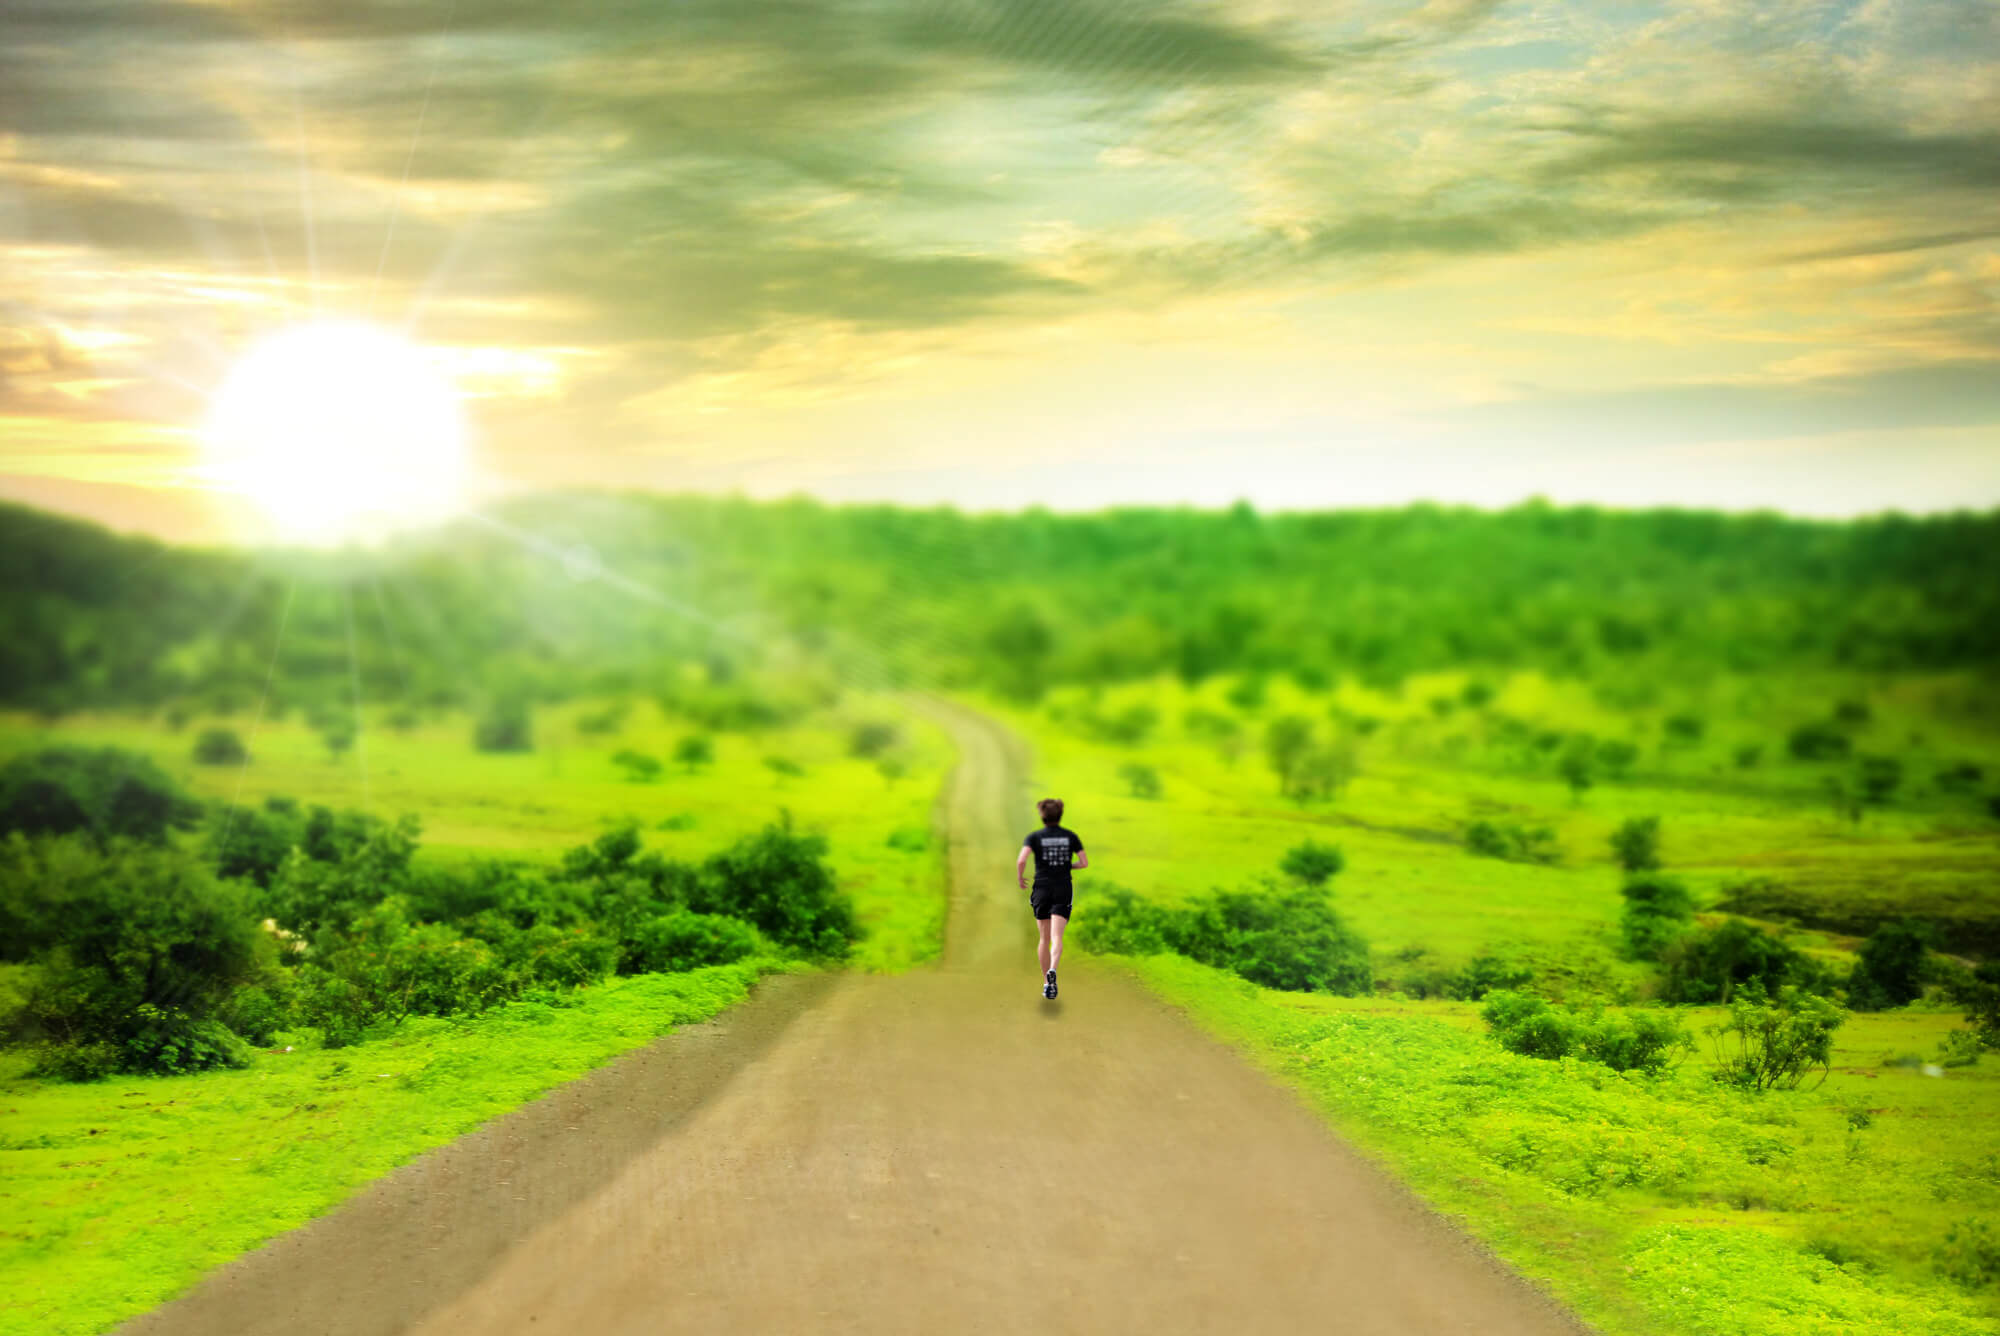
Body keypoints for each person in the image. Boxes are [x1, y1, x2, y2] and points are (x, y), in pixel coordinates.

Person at [1016, 797, 1087, 999]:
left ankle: (1047, 984)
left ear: (1042, 816)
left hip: (1042, 888)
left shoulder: (1034, 837)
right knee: (1057, 938)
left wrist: (1021, 877)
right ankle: (1053, 970)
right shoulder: (1070, 836)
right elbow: (1083, 862)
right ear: (1060, 815)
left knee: (1044, 938)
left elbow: (1021, 860)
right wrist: (1067, 866)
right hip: (1062, 887)